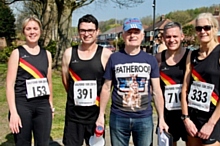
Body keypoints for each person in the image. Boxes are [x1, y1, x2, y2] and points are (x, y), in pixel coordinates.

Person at [96, 18, 168, 146]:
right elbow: (106, 88)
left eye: (136, 32)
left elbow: (157, 91)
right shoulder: (114, 58)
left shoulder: (150, 60)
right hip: (119, 117)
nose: (132, 35)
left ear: (141, 35)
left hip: (144, 117)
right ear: (123, 35)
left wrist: (161, 118)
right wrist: (101, 115)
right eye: (129, 32)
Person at [181, 13, 220, 146]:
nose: (202, 31)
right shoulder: (191, 55)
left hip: (211, 117)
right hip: (192, 117)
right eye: (199, 28)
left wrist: (211, 123)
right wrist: (186, 118)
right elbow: (185, 89)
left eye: (207, 27)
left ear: (214, 29)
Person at [61, 14, 112, 146]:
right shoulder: (68, 53)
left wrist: (101, 114)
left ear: (97, 31)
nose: (86, 34)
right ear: (78, 32)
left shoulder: (106, 55)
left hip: (95, 116)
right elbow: (66, 81)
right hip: (74, 116)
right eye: (83, 30)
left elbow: (108, 86)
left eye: (90, 30)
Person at [6, 15, 53, 146]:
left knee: (43, 143)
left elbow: (48, 82)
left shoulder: (47, 54)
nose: (32, 32)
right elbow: (9, 85)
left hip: (43, 106)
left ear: (40, 31)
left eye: (35, 28)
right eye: (28, 29)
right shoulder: (17, 53)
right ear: (23, 32)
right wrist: (14, 113)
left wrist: (50, 105)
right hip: (22, 106)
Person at [155, 22, 189, 146]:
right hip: (168, 114)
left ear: (182, 36)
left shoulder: (190, 56)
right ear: (163, 38)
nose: (172, 40)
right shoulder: (158, 58)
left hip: (188, 113)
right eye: (168, 37)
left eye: (175, 36)